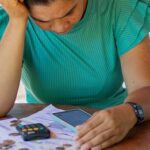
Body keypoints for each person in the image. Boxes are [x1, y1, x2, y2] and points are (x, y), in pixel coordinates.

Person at [0, 0, 150, 149]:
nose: (60, 28)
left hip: (116, 127)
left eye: (70, 12)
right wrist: (17, 19)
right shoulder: (14, 16)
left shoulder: (118, 7)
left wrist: (130, 112)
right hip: (46, 132)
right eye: (43, 20)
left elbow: (144, 89)